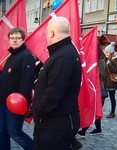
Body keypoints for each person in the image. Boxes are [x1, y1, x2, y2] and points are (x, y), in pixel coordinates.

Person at [32, 16, 82, 150]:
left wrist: (38, 112)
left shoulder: (63, 56)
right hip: (53, 123)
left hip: (55, 125)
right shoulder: (62, 52)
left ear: (52, 33)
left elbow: (53, 93)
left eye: (47, 31)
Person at [0, 27, 35, 150]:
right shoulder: (11, 55)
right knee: (2, 132)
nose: (14, 40)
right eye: (12, 38)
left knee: (15, 133)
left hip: (15, 104)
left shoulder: (26, 56)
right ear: (9, 40)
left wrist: (22, 106)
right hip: (3, 103)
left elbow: (27, 82)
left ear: (23, 40)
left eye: (17, 38)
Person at [78, 45, 107, 136]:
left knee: (94, 108)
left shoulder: (101, 61)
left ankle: (84, 130)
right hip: (92, 87)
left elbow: (100, 74)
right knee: (94, 108)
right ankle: (98, 128)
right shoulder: (93, 59)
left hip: (98, 88)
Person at [103, 42, 117, 118]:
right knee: (102, 97)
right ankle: (100, 111)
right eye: (105, 52)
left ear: (111, 52)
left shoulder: (116, 59)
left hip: (112, 81)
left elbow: (116, 71)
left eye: (107, 52)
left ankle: (112, 112)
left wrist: (109, 64)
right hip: (104, 81)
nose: (106, 53)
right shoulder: (105, 59)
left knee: (112, 97)